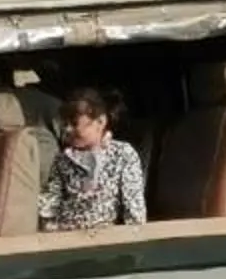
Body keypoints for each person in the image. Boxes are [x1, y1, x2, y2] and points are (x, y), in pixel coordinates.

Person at [38, 87, 148, 233]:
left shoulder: (122, 154)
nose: (68, 130)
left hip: (107, 241)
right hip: (65, 239)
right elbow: (50, 204)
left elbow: (134, 209)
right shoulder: (62, 159)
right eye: (65, 124)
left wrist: (133, 242)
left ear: (100, 121)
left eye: (75, 123)